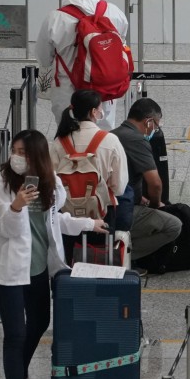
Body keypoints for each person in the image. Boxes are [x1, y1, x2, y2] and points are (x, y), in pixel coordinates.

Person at [0, 130, 108, 379]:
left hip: (38, 267)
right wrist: (17, 205)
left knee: (39, 322)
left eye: (23, 152)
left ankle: (20, 375)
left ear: (38, 156)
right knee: (15, 334)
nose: (16, 156)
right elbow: (6, 229)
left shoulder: (48, 184)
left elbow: (55, 221)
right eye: (14, 150)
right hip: (9, 271)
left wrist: (89, 222)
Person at [36, 0, 130, 129]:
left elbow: (43, 58)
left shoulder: (55, 19)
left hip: (69, 94)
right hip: (105, 91)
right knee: (103, 139)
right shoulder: (113, 11)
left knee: (71, 140)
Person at [49, 90, 128, 262]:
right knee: (102, 260)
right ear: (93, 112)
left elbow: (50, 182)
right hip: (103, 213)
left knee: (69, 261)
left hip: (66, 215)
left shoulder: (58, 142)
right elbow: (119, 187)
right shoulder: (110, 140)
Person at [111, 98, 182, 265]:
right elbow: (155, 183)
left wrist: (139, 197)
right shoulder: (137, 140)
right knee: (174, 225)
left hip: (108, 205)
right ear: (148, 121)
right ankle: (123, 255)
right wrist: (156, 204)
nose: (155, 130)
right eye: (156, 125)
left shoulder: (112, 134)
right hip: (122, 210)